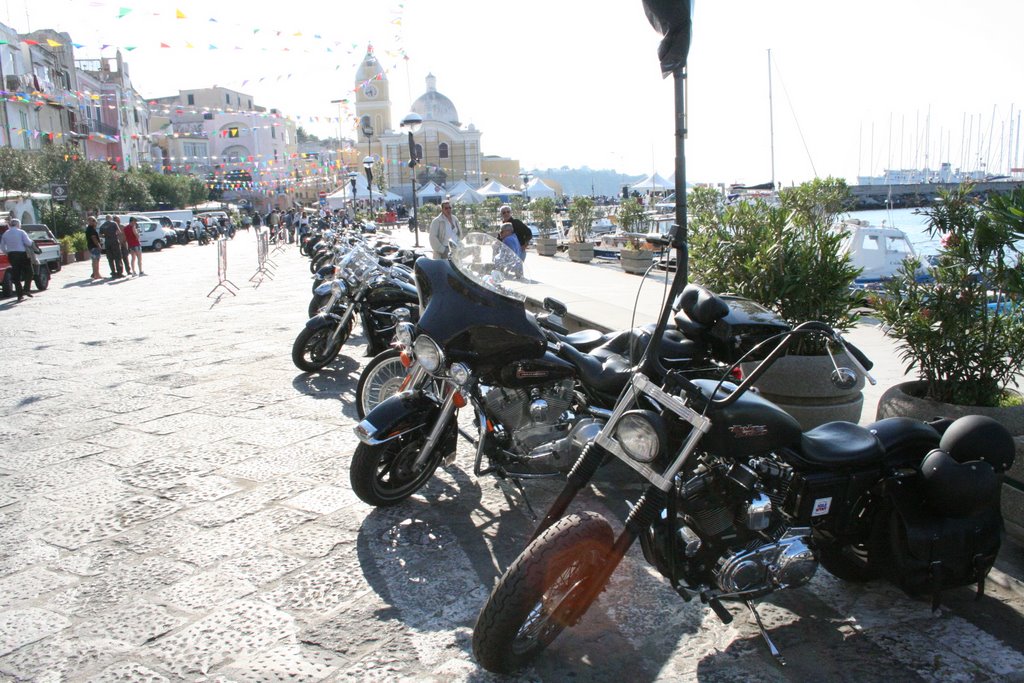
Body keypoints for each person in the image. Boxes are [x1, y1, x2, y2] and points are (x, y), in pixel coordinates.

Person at [0, 218, 39, 301]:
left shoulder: (5, 234)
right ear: (18, 224)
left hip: (12, 255)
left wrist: (8, 253)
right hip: (22, 255)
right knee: (30, 272)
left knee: (16, 275)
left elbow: (2, 247)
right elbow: (28, 242)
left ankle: (19, 295)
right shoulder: (21, 232)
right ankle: (26, 289)